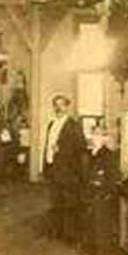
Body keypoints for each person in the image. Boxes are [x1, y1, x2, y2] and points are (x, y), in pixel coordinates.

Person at [42, 93, 87, 243]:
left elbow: (80, 147)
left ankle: (70, 235)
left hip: (67, 169)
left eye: (61, 105)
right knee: (55, 201)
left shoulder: (73, 125)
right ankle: (57, 231)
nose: (58, 108)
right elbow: (47, 146)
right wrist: (46, 165)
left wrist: (61, 149)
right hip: (52, 167)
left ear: (67, 106)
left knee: (68, 202)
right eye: (56, 105)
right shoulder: (52, 123)